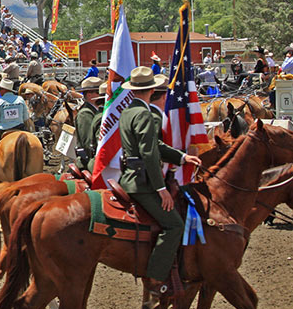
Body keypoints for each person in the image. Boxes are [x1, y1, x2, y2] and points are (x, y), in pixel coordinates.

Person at [117, 66, 202, 295]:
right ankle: (155, 278)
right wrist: (161, 188)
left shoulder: (128, 111)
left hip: (131, 176)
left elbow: (156, 147)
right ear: (152, 89)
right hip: (143, 182)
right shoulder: (144, 113)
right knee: (174, 225)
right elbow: (150, 153)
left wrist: (182, 157)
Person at [73, 77, 105, 172]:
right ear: (90, 95)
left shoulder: (92, 111)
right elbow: (88, 142)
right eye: (98, 92)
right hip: (88, 162)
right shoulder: (85, 114)